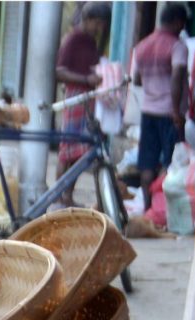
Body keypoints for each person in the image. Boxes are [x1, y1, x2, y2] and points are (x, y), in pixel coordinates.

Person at [132, 3, 188, 210]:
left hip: (148, 110)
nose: (182, 28)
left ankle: (147, 208)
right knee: (171, 163)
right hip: (168, 113)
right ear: (177, 22)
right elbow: (177, 78)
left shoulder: (142, 46)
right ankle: (164, 210)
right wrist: (176, 112)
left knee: (147, 164)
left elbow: (137, 80)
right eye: (182, 24)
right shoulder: (177, 46)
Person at [54, 2, 111, 206]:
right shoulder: (74, 39)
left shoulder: (91, 41)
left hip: (89, 99)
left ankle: (68, 194)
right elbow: (60, 72)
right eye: (98, 23)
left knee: (81, 152)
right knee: (67, 150)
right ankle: (60, 194)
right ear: (87, 20)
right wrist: (86, 80)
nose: (100, 28)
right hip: (76, 96)